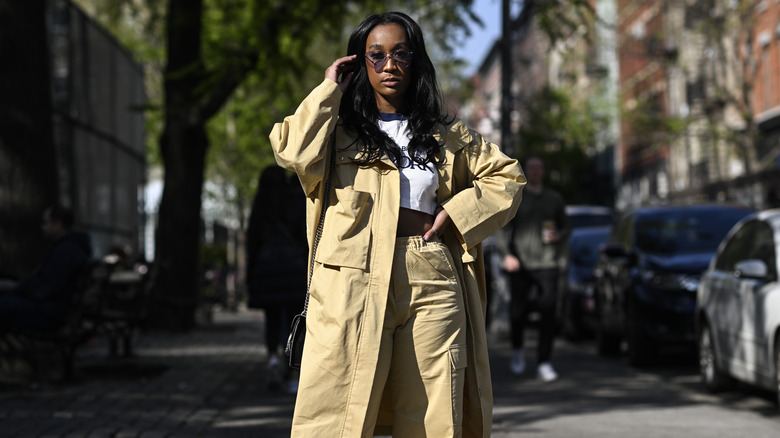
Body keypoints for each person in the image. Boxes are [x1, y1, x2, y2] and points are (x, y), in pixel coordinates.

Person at [269, 11, 525, 437]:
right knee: (335, 416)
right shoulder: (336, 133)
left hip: (430, 273)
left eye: (400, 53)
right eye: (376, 55)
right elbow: (292, 152)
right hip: (350, 279)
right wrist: (329, 88)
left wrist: (457, 212)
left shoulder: (446, 134)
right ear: (360, 62)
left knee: (433, 417)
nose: (390, 65)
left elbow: (508, 177)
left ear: (415, 60)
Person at [496, 155, 570, 382]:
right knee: (518, 312)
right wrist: (507, 255)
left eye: (539, 168)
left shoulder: (554, 198)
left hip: (548, 262)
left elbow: (566, 227)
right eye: (531, 167)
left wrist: (559, 235)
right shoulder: (516, 196)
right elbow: (502, 228)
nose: (535, 171)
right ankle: (517, 350)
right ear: (525, 170)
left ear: (543, 171)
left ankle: (544, 362)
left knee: (548, 311)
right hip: (520, 263)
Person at [246, 165, 308, 394]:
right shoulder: (295, 202)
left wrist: (251, 273)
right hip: (293, 269)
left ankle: (272, 359)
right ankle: (292, 373)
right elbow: (304, 235)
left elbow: (252, 241)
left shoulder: (260, 205)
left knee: (271, 320)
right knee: (295, 322)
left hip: (267, 269)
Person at [0, 204, 92, 331]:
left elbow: (47, 287)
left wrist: (18, 289)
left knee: (4, 303)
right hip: (56, 310)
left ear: (58, 225)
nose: (43, 228)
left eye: (46, 223)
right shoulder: (72, 248)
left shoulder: (65, 252)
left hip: (50, 313)